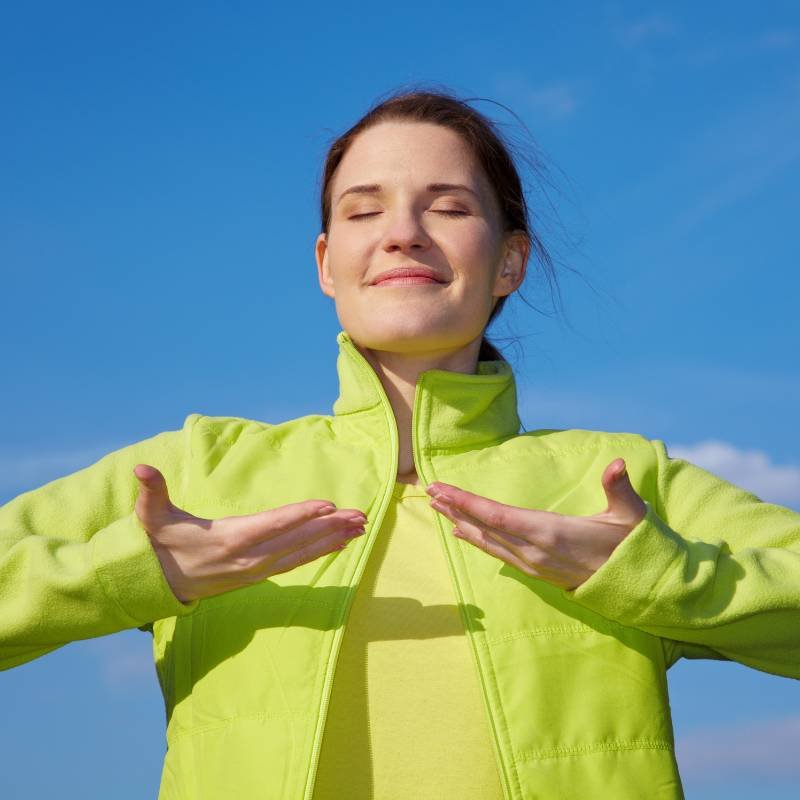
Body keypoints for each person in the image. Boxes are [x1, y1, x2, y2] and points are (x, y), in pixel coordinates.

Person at [1, 87, 798, 800]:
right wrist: (137, 574)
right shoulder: (191, 471)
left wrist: (657, 578)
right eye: (362, 210)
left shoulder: (617, 479)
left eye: (449, 206)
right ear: (326, 263)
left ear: (509, 261)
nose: (403, 234)